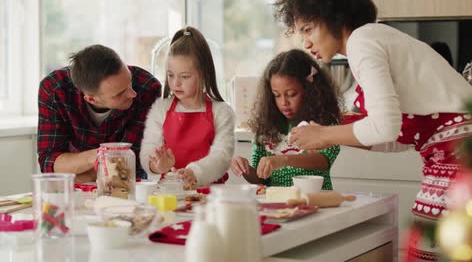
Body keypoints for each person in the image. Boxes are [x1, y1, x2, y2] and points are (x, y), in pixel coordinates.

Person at [274, 0, 472, 260]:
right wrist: (331, 136)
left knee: (426, 251)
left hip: (460, 155)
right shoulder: (374, 40)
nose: (305, 43)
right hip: (458, 152)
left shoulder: (362, 42)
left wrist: (325, 134)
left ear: (336, 15)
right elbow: (397, 137)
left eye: (308, 29)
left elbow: (385, 127)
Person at [37, 45, 162, 183]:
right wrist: (97, 156)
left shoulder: (147, 87)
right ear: (91, 99)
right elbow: (49, 163)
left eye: (130, 81)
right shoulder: (54, 90)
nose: (133, 94)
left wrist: (75, 172)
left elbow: (130, 160)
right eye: (119, 93)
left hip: (126, 184)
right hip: (77, 189)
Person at [230, 49, 341, 189]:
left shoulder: (323, 123)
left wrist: (284, 159)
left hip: (314, 200)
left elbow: (323, 160)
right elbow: (259, 177)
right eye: (276, 95)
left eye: (291, 94)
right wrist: (244, 168)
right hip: (277, 206)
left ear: (310, 91)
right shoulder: (267, 128)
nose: (284, 102)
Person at [140, 26, 235, 188]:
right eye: (170, 75)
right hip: (171, 192)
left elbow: (222, 156)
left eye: (184, 76)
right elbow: (148, 149)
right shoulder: (160, 109)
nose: (176, 83)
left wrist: (195, 172)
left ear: (204, 74)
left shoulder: (221, 112)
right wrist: (156, 165)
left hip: (210, 194)